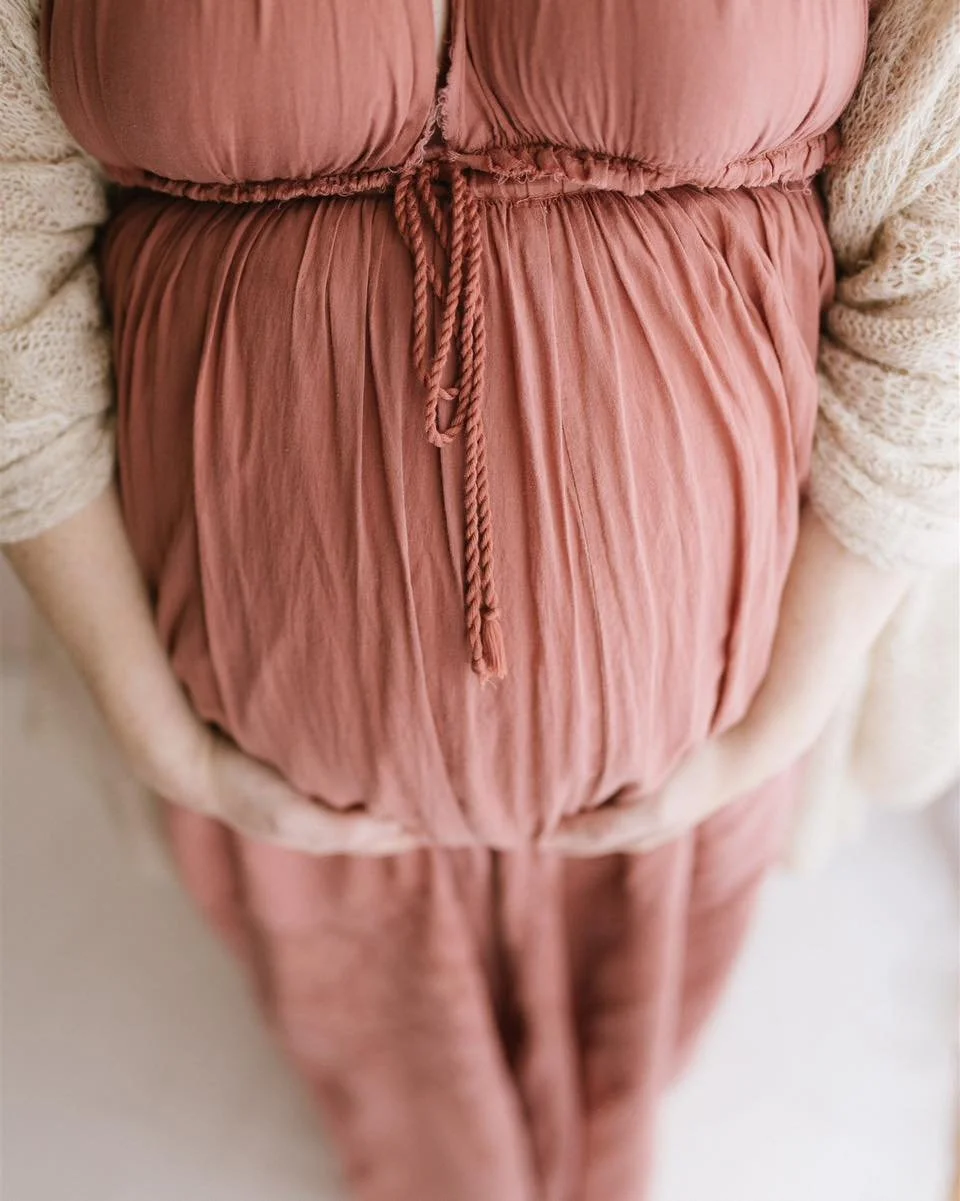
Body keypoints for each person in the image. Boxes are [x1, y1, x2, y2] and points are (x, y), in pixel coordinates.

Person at [2, 1, 957, 1198]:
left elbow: (940, 259)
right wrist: (154, 735)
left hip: (703, 760)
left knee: (621, 1080)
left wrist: (777, 725)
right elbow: (6, 264)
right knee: (387, 1091)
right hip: (259, 759)